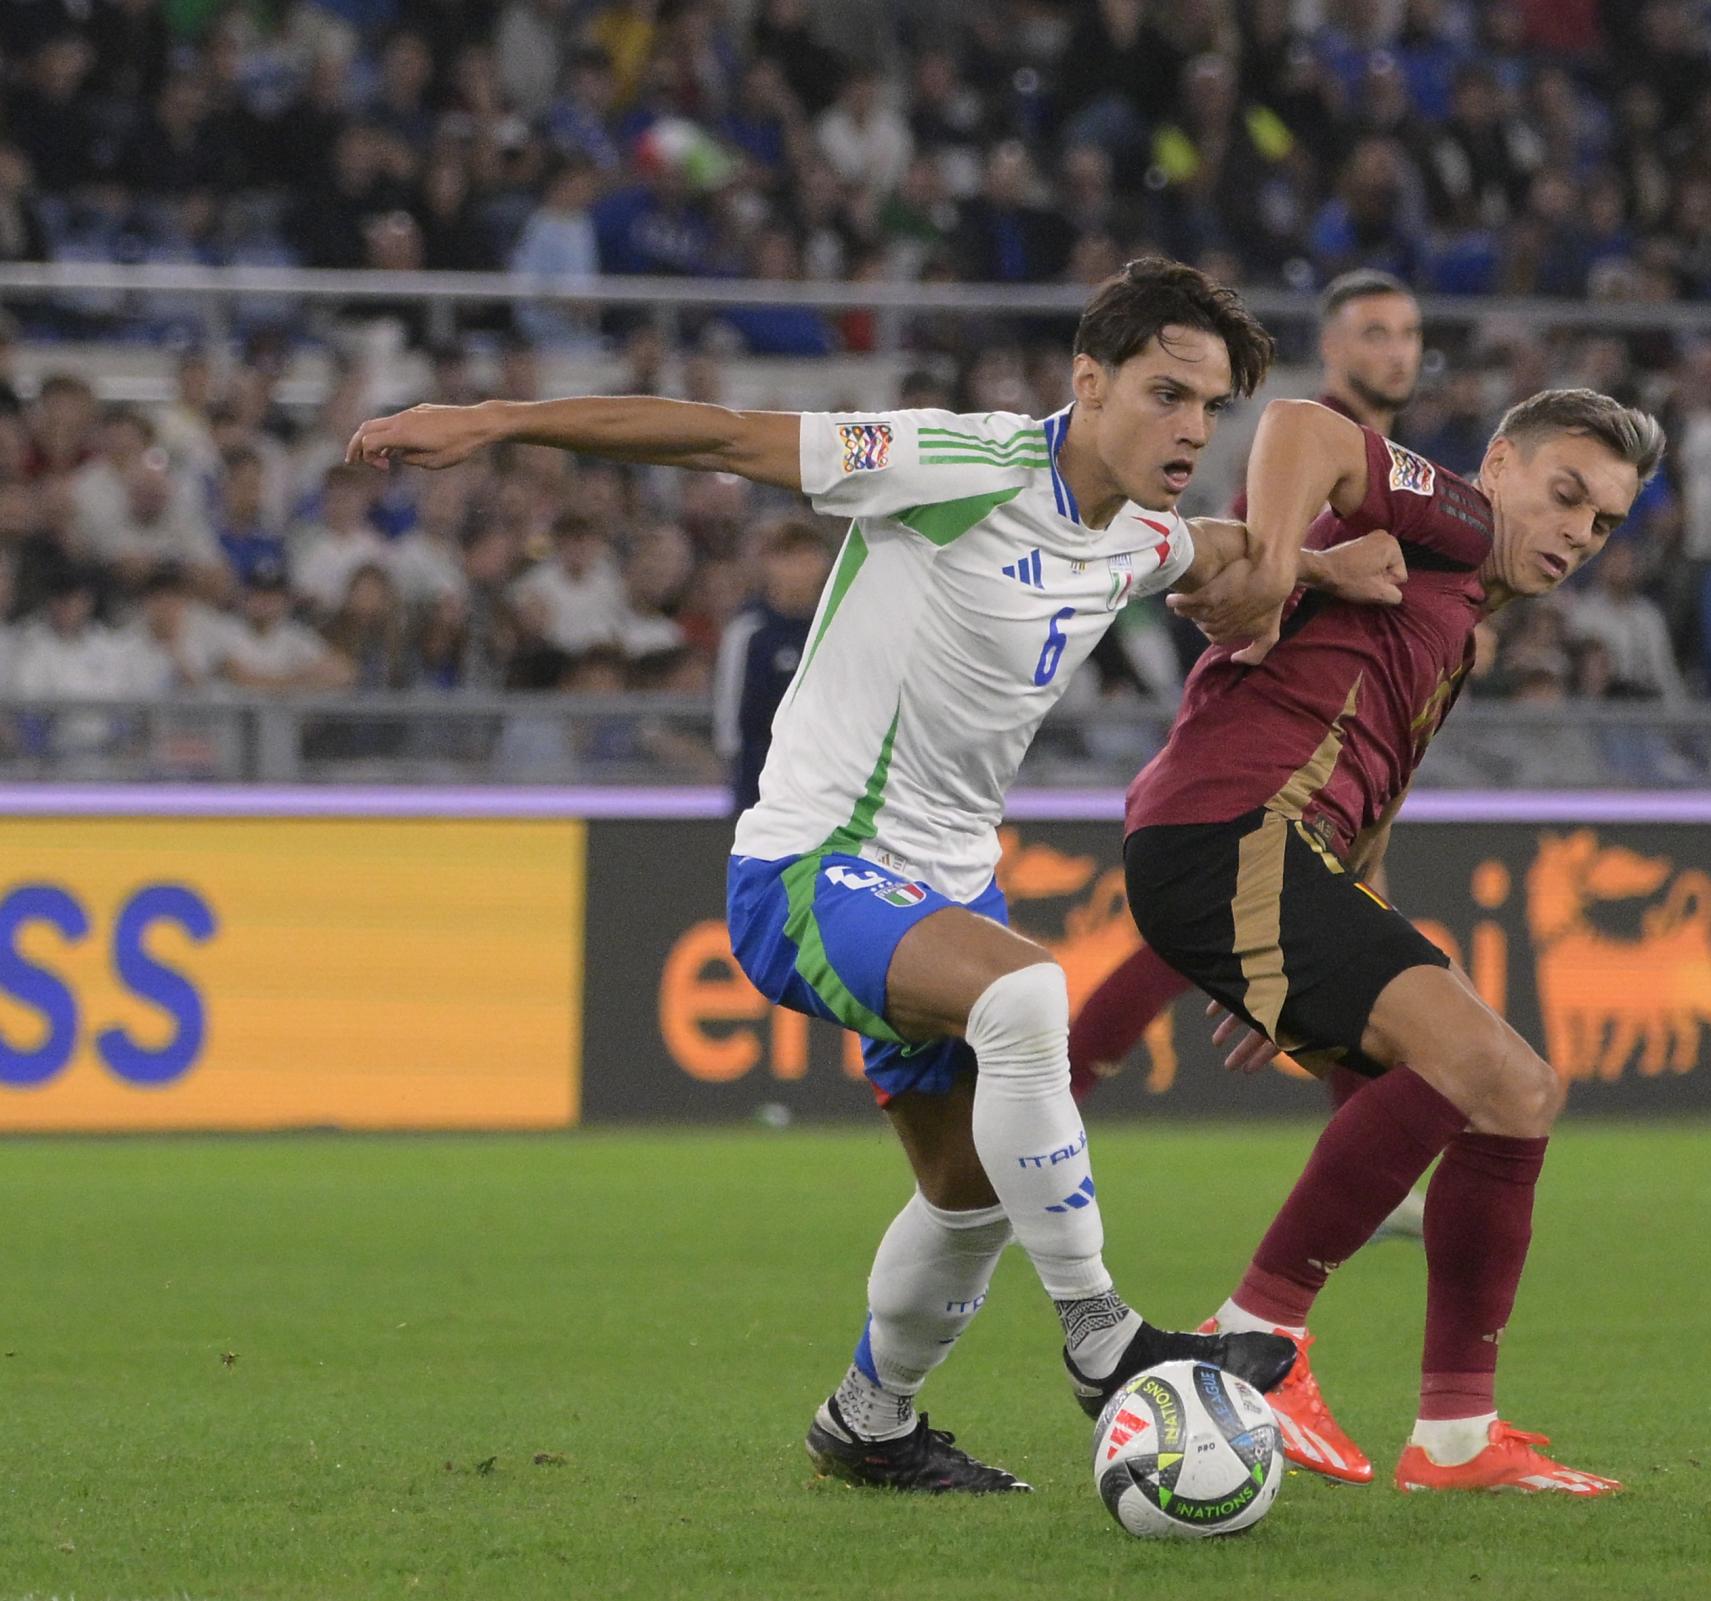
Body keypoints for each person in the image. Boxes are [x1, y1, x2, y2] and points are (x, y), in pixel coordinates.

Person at [347, 258, 1409, 1497]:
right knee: (1028, 1000)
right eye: (1167, 392)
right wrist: (496, 422)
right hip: (809, 867)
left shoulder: (1134, 536)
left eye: (1211, 406)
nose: (1191, 427)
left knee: (968, 1200)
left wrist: (1323, 569)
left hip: (949, 895)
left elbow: (1209, 552)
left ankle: (870, 1417)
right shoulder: (956, 462)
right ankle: (1102, 1334)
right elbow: (725, 438)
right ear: (1089, 380)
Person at [1122, 388, 1663, 1494]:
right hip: (1232, 831)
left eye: (1603, 522)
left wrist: (1307, 948)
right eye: (1565, 494)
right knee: (1474, 1061)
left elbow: (1362, 791)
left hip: (1266, 862)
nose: (1577, 532)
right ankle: (1255, 1343)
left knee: (1518, 1093)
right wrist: (1276, 563)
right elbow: (1301, 427)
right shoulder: (1453, 521)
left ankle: (1457, 1436)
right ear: (1501, 463)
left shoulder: (1458, 616)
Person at [1068, 269, 1424, 1143]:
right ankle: (1034, 1110)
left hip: (1340, 754)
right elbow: (1237, 578)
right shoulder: (1308, 451)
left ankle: (1032, 1111)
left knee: (1338, 940)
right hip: (1276, 758)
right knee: (1314, 942)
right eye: (1375, 332)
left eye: (1409, 334)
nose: (1398, 351)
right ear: (1333, 346)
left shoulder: (1385, 468)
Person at [713, 517, 832, 815]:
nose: (799, 568)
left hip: (826, 782)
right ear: (769, 564)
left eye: (808, 556)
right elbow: (730, 718)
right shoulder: (749, 631)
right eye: (788, 557)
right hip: (759, 782)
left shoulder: (835, 627)